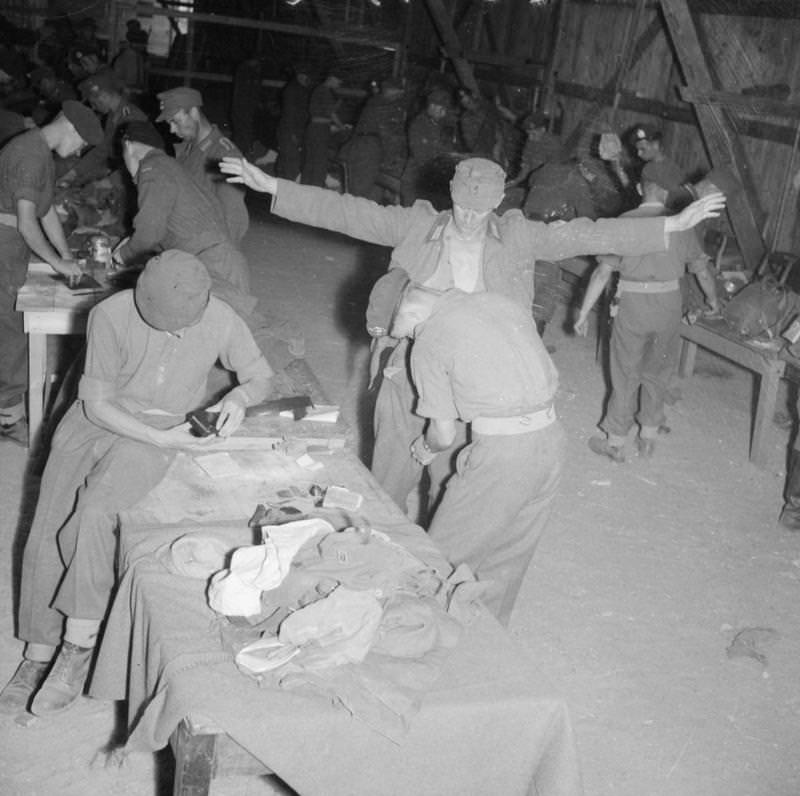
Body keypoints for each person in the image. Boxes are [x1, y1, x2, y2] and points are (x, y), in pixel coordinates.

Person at [220, 154, 726, 515]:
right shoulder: (417, 225)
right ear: (452, 196)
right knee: (393, 466)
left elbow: (593, 233)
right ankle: (376, 538)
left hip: (478, 376)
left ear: (498, 203)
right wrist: (274, 187)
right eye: (462, 205)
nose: (468, 218)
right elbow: (348, 212)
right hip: (408, 364)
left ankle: (440, 544)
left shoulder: (520, 235)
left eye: (480, 209)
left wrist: (672, 224)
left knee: (456, 471)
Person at [0, 251, 273, 716]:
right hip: (99, 419)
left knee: (95, 513)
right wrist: (156, 435)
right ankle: (37, 652)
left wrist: (242, 398)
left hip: (157, 430)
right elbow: (96, 406)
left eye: (184, 323)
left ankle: (76, 644)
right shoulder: (110, 313)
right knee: (47, 525)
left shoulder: (220, 316)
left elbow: (260, 376)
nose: (176, 332)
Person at [390, 284, 564, 625]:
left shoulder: (430, 338)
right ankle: (488, 645)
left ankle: (419, 637)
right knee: (506, 560)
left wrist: (423, 450)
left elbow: (443, 434)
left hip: (505, 455)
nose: (410, 340)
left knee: (441, 559)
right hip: (552, 439)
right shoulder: (500, 300)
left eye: (407, 333)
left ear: (411, 314)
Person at [114, 121, 303, 372]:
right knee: (239, 329)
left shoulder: (152, 168)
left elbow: (150, 233)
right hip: (216, 256)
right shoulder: (167, 165)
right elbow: (163, 224)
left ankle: (294, 379)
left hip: (210, 261)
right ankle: (287, 352)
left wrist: (123, 255)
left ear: (128, 146)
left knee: (251, 340)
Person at [574, 179, 720, 461]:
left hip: (633, 305)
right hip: (668, 306)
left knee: (625, 371)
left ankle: (615, 441)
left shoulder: (624, 223)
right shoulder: (681, 223)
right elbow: (702, 272)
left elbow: (602, 273)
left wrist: (582, 312)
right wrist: (713, 302)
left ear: (641, 189)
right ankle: (648, 437)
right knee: (659, 369)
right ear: (667, 192)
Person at [0, 100, 102, 443]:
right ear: (70, 127)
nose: (79, 151)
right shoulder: (28, 154)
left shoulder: (40, 150)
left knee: (16, 324)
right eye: (82, 143)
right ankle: (8, 417)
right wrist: (57, 264)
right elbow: (29, 223)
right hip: (4, 244)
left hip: (12, 244)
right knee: (12, 328)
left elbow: (46, 214)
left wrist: (65, 254)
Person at [156, 86, 249, 246]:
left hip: (205, 252)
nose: (171, 129)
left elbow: (234, 221)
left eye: (175, 121)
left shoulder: (223, 155)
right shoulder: (186, 149)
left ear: (193, 112)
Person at [61, 68, 148, 188]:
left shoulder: (132, 117)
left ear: (103, 96)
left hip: (138, 177)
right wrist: (74, 173)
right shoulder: (114, 114)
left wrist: (107, 182)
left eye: (93, 103)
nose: (93, 107)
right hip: (119, 168)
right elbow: (103, 148)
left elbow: (139, 162)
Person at [340, 76, 407, 200]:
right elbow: (391, 136)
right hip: (370, 150)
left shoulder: (374, 101)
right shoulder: (389, 107)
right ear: (395, 91)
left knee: (356, 192)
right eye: (398, 91)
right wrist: (391, 160)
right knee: (364, 194)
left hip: (358, 147)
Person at [400, 88, 459, 207]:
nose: (444, 112)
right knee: (412, 214)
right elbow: (420, 154)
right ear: (431, 106)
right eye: (441, 108)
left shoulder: (442, 126)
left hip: (432, 180)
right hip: (416, 178)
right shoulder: (419, 124)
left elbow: (448, 151)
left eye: (445, 109)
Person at [302, 73, 345, 187]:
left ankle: (305, 186)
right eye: (338, 81)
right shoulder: (325, 91)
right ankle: (316, 186)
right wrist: (341, 126)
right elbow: (331, 113)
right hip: (319, 130)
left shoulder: (318, 90)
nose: (339, 84)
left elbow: (321, 112)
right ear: (331, 78)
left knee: (310, 159)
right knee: (319, 160)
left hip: (313, 128)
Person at [275, 63, 311, 181]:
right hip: (289, 131)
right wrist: (292, 133)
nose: (309, 80)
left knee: (285, 160)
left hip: (290, 131)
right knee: (291, 162)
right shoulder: (293, 90)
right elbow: (289, 114)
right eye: (307, 77)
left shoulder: (300, 89)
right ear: (300, 76)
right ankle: (287, 187)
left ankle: (281, 185)